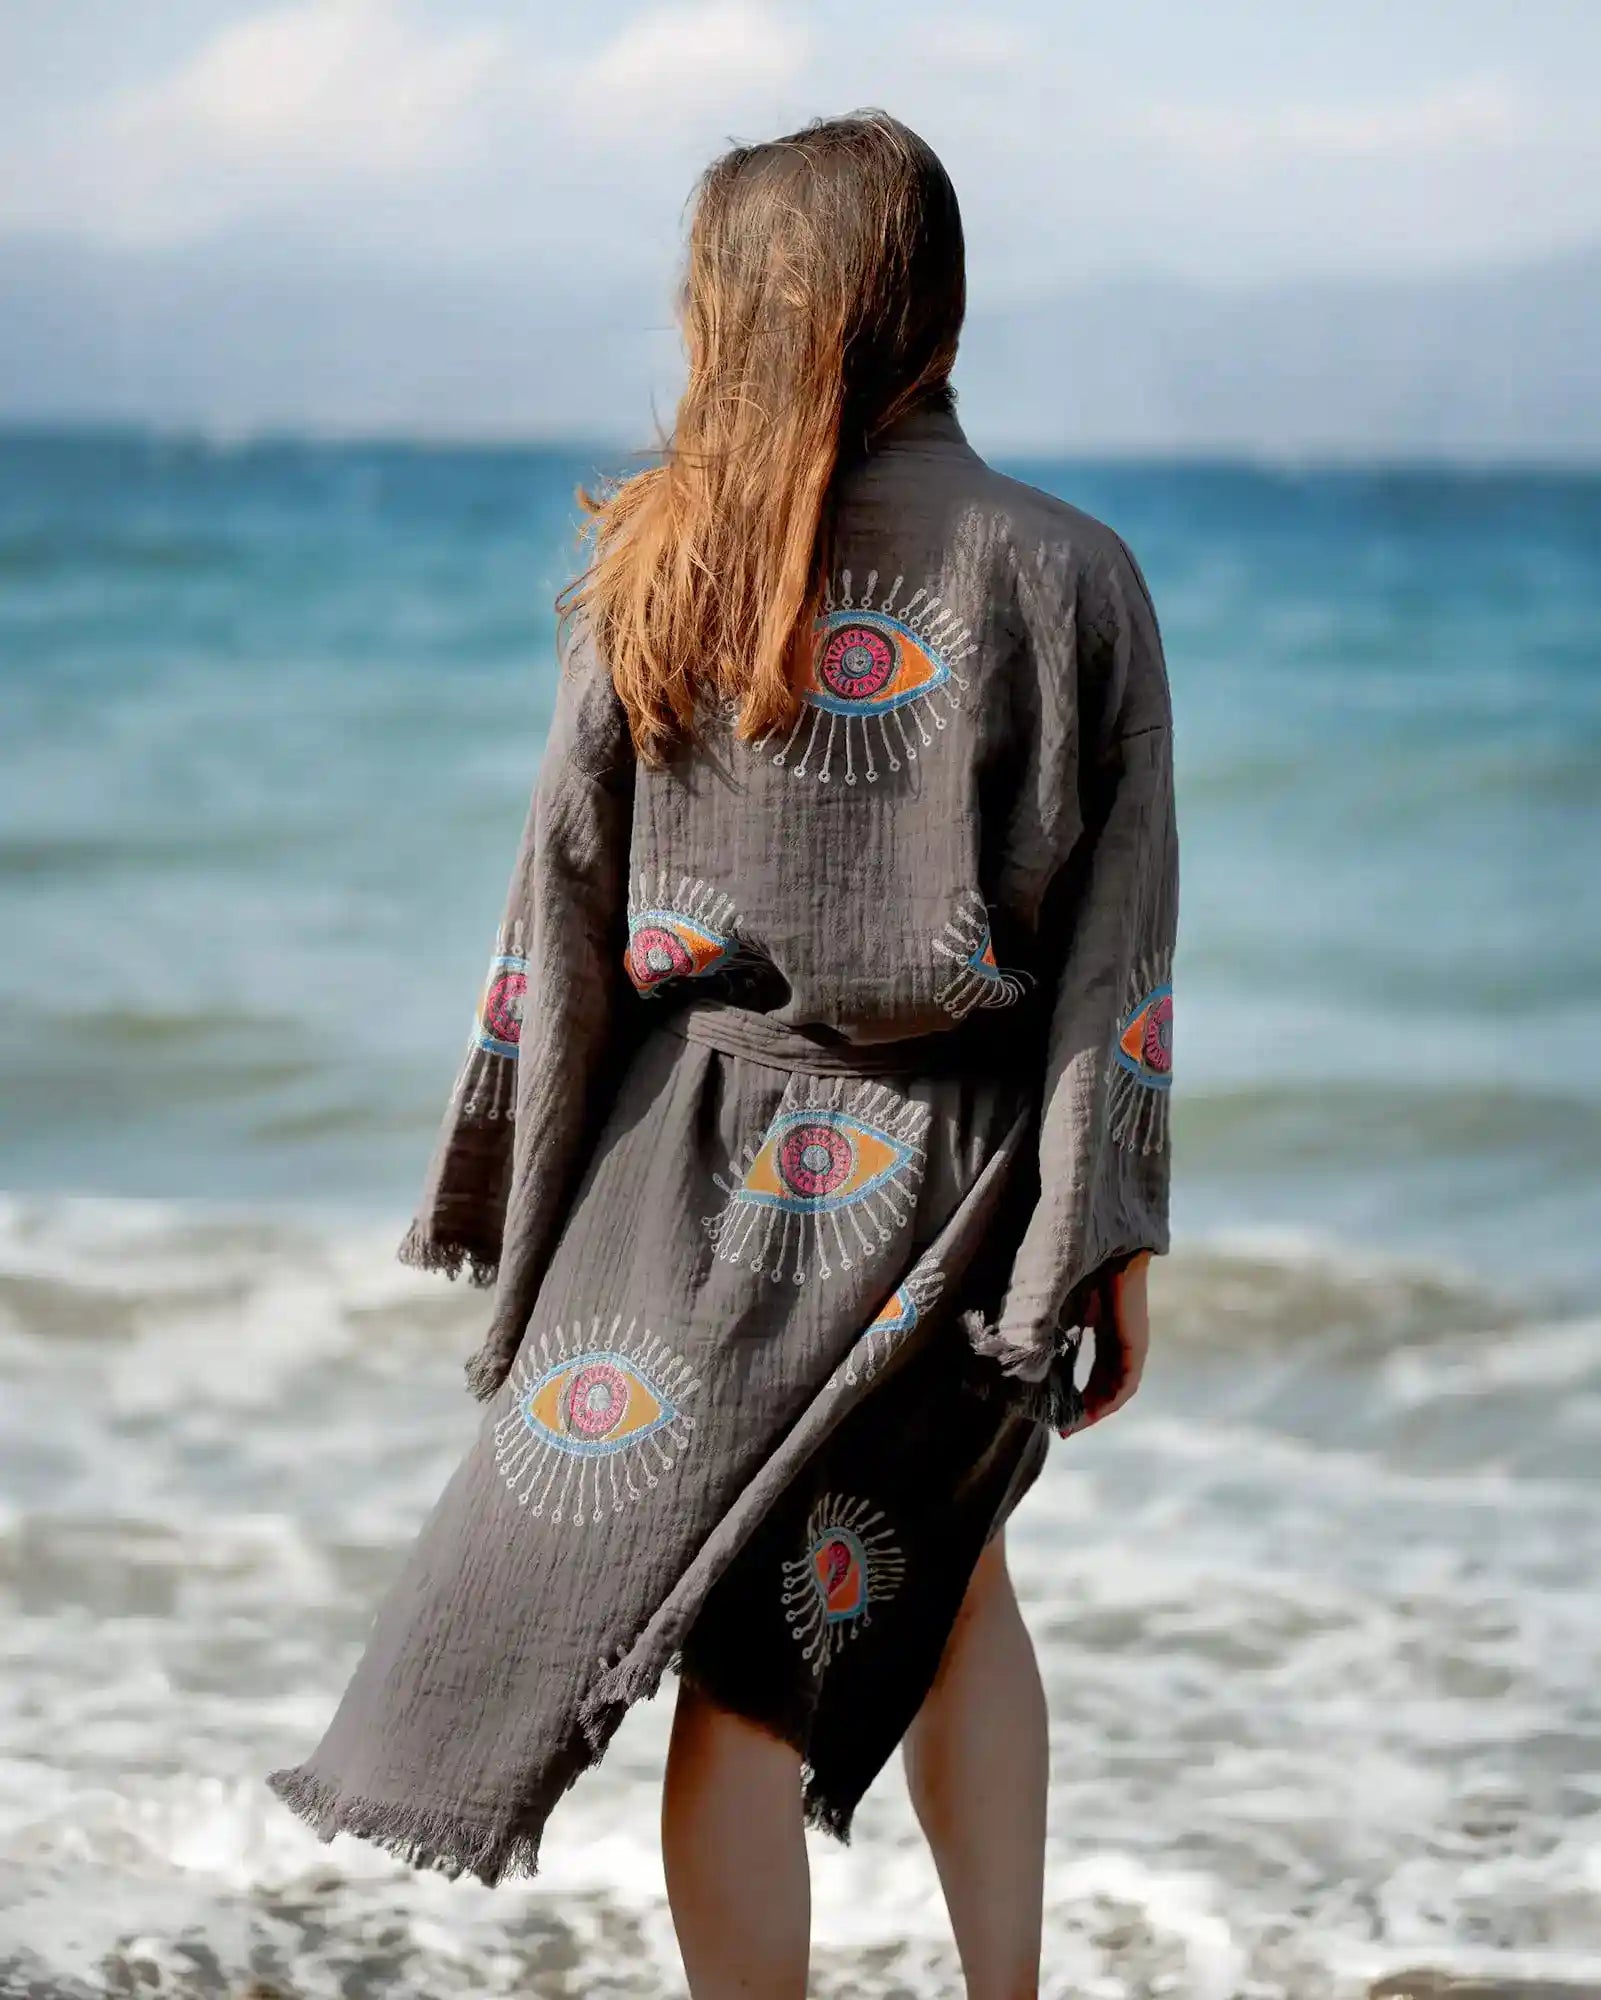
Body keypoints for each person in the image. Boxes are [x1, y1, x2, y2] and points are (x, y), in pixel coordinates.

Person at [270, 109, 1177, 2000]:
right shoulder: (1069, 572)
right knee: (927, 1587)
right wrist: (1104, 1230)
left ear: (727, 311)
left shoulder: (654, 571)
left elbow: (561, 926)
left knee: (760, 1681)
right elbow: (1118, 955)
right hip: (953, 1185)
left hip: (680, 1187)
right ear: (931, 296)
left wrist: (525, 1230)